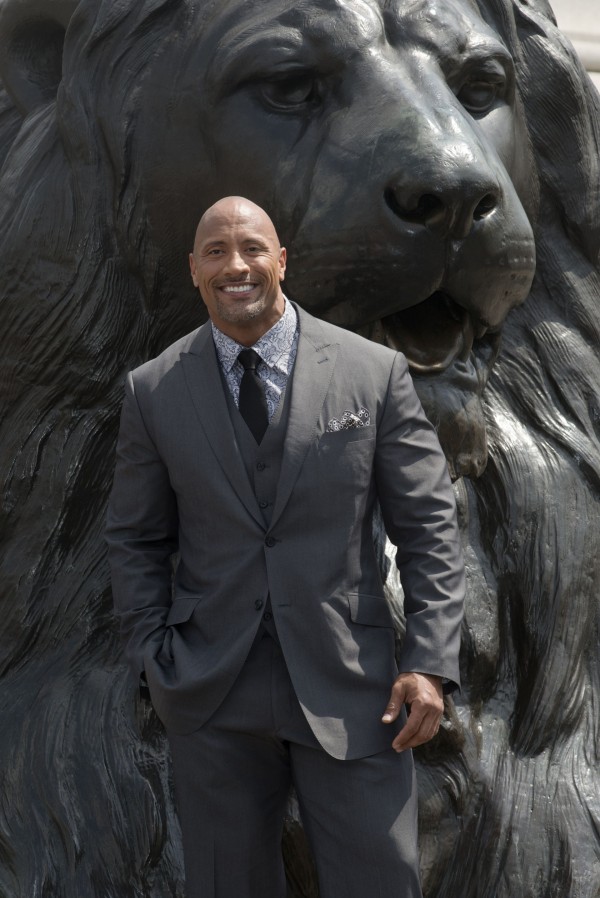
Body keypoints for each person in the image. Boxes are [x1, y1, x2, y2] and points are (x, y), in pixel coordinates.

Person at [106, 196, 465, 898]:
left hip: (357, 688)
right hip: (211, 692)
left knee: (379, 884)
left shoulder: (372, 374)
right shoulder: (153, 392)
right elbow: (136, 536)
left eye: (250, 248)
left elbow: (430, 527)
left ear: (281, 261)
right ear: (193, 269)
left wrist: (428, 663)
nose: (234, 265)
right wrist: (154, 658)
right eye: (215, 251)